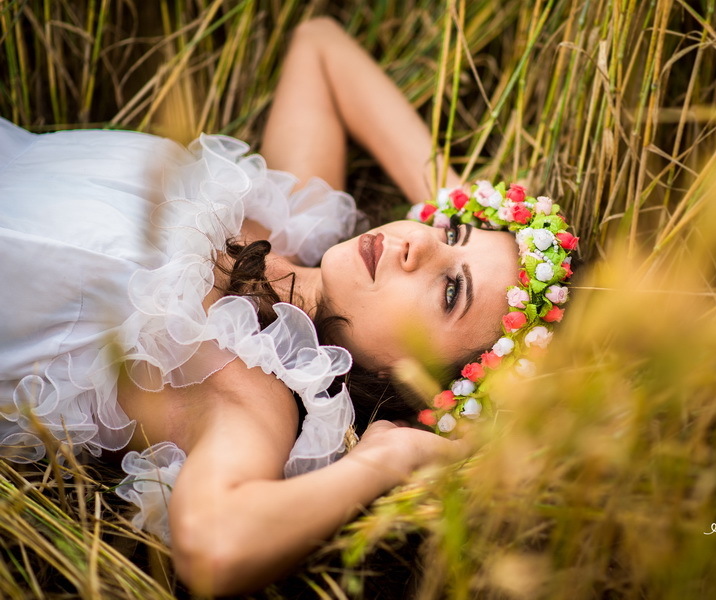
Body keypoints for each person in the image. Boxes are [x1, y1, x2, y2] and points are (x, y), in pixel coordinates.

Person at [0, 17, 575, 595]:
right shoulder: (295, 214)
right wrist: (453, 192)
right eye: (451, 232)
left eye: (451, 291)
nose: (418, 242)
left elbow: (214, 549)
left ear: (409, 379)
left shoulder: (246, 392)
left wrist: (384, 460)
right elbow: (320, 45)